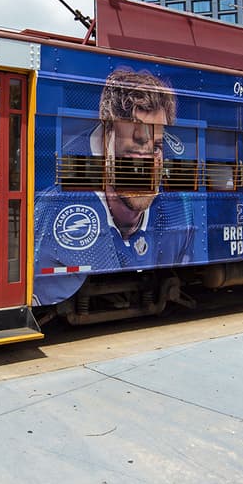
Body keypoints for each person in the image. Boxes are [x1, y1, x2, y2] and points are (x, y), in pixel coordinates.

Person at [33, 66, 195, 306]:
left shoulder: (177, 212)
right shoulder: (58, 209)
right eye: (133, 154)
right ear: (104, 137)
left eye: (157, 147)